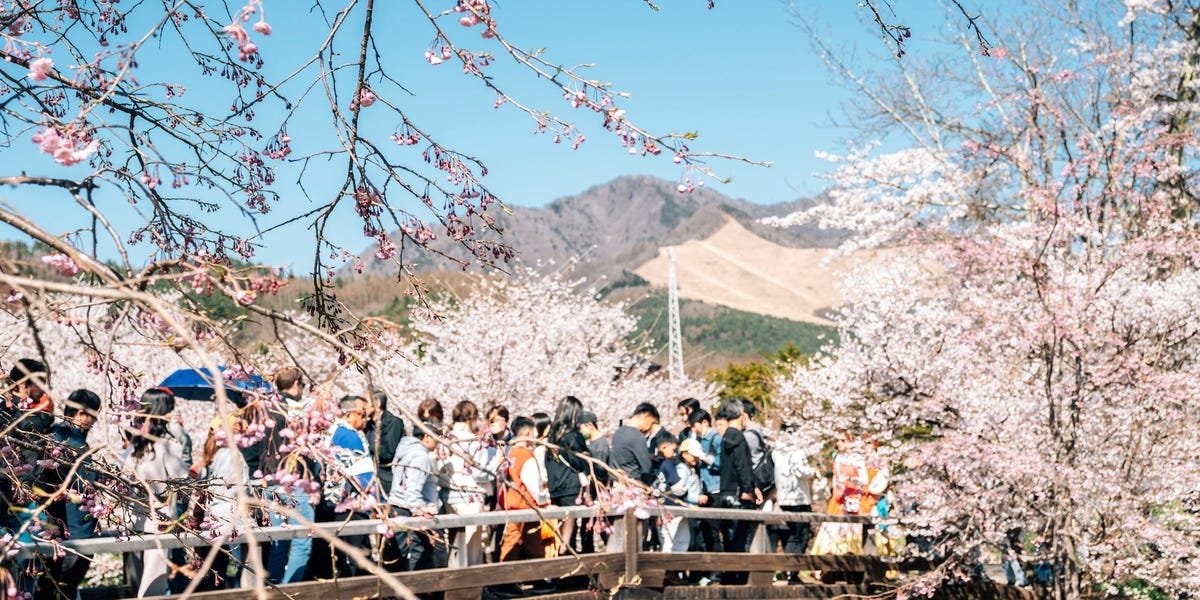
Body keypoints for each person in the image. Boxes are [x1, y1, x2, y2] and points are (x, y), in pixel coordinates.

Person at [123, 387, 190, 597]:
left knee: (137, 580)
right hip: (160, 522)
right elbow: (183, 483)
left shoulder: (132, 447)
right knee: (153, 583)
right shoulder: (168, 447)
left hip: (132, 520)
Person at [36, 389, 101, 600]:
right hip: (72, 527)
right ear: (78, 413)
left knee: (51, 585)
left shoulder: (57, 435)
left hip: (59, 524)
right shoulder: (69, 441)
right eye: (88, 414)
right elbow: (86, 483)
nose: (91, 420)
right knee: (63, 585)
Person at [262, 366, 319, 585]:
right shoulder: (297, 412)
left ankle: (275, 587)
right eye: (303, 385)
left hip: (270, 482)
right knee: (302, 540)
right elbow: (307, 450)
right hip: (295, 482)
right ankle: (291, 590)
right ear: (296, 384)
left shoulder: (267, 410)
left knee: (279, 541)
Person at [321, 395, 376, 577]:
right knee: (354, 555)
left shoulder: (333, 431)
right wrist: (375, 501)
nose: (364, 419)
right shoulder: (349, 435)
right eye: (362, 414)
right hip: (353, 504)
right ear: (349, 414)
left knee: (341, 553)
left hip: (335, 502)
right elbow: (362, 474)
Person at [444, 400, 498, 568]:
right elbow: (480, 473)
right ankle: (472, 588)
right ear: (472, 418)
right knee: (471, 547)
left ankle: (454, 583)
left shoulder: (445, 437)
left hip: (448, 493)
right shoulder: (474, 440)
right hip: (470, 496)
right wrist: (497, 463)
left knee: (453, 545)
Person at [385, 420, 441, 572]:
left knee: (400, 551)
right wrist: (419, 510)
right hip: (410, 507)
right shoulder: (420, 456)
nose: (438, 442)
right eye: (436, 437)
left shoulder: (405, 449)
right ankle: (414, 588)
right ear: (426, 436)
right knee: (420, 549)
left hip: (398, 504)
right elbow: (413, 488)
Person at [713, 402, 758, 585]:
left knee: (729, 538)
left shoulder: (725, 437)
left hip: (726, 492)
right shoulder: (738, 436)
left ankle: (729, 576)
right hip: (739, 494)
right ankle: (739, 579)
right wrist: (748, 489)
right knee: (741, 536)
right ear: (740, 413)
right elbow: (742, 465)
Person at [497, 416, 550, 563]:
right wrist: (543, 500)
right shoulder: (526, 455)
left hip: (510, 503)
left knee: (512, 541)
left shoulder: (508, 453)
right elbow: (532, 483)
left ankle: (508, 580)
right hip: (525, 505)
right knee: (532, 543)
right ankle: (534, 577)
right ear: (527, 432)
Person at [545, 396, 589, 554]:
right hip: (570, 486)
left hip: (555, 485)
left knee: (558, 526)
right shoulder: (572, 436)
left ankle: (559, 558)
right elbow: (580, 459)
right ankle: (567, 558)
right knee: (569, 527)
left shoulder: (552, 435)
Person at [771, 428, 816, 582]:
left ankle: (790, 570)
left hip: (783, 498)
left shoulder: (776, 451)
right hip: (799, 499)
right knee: (800, 536)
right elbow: (801, 471)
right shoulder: (797, 451)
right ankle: (792, 570)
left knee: (792, 535)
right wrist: (813, 471)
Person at [654, 436, 702, 554]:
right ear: (663, 448)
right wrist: (686, 488)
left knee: (669, 541)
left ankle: (672, 570)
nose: (675, 454)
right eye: (674, 450)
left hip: (663, 506)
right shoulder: (669, 464)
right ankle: (672, 570)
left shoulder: (657, 465)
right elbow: (679, 488)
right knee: (677, 541)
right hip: (672, 507)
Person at [363, 389, 405, 498]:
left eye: (365, 402)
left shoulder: (394, 423)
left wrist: (366, 448)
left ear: (377, 403)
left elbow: (388, 451)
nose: (363, 407)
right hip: (371, 479)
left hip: (388, 479)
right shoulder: (367, 426)